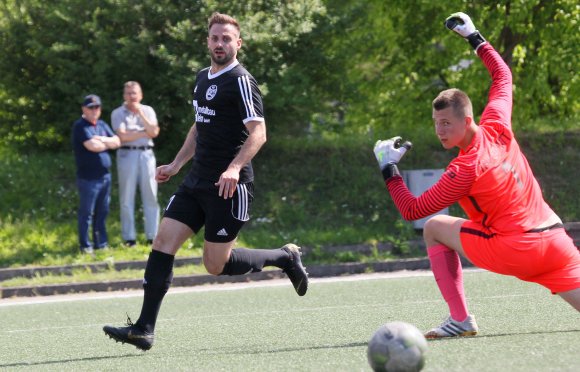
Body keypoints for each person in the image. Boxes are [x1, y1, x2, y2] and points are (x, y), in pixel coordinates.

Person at [103, 12, 309, 350]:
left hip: (230, 186)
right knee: (162, 243)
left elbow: (259, 134)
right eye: (215, 38)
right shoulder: (202, 78)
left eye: (226, 39)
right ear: (207, 41)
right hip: (196, 182)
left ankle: (284, 257)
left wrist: (233, 167)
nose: (219, 44)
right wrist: (176, 163)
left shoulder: (241, 80)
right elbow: (199, 127)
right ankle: (143, 329)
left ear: (238, 44)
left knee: (216, 265)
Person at [373, 12, 580, 339]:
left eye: (446, 124)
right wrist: (475, 37)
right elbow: (502, 75)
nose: (439, 131)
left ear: (467, 120)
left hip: (516, 248)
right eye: (436, 123)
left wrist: (389, 168)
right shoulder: (498, 124)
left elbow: (412, 211)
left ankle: (460, 319)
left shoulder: (464, 168)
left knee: (434, 227)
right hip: (555, 242)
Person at [111, 81, 160, 247]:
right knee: (126, 197)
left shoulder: (148, 110)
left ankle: (153, 236)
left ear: (140, 95)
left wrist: (141, 116)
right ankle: (129, 238)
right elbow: (123, 137)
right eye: (128, 93)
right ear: (124, 95)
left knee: (151, 195)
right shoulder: (118, 113)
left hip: (147, 155)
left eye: (134, 93)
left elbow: (153, 132)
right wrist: (143, 132)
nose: (131, 96)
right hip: (127, 154)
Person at [72, 94, 121, 254]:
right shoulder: (80, 126)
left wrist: (102, 139)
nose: (94, 110)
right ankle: (85, 245)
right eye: (90, 107)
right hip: (88, 178)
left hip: (105, 176)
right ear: (84, 109)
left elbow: (118, 142)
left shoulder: (101, 124)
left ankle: (101, 244)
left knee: (103, 211)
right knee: (87, 212)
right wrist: (108, 141)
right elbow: (92, 146)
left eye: (97, 107)